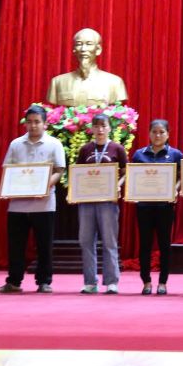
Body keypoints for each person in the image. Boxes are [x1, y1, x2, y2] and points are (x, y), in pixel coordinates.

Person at [0, 105, 66, 294]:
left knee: (44, 246)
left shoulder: (54, 144)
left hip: (44, 204)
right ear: (25, 124)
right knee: (16, 246)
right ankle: (14, 281)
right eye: (29, 122)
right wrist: (5, 188)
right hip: (17, 205)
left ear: (45, 124)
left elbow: (59, 171)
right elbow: (8, 170)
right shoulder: (16, 144)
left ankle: (44, 281)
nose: (33, 126)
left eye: (37, 122)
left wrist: (45, 186)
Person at [75, 113, 127, 294]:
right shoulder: (85, 149)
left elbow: (125, 173)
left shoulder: (117, 149)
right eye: (96, 126)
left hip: (108, 202)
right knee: (86, 240)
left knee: (109, 241)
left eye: (103, 126)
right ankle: (90, 281)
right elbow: (77, 174)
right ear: (92, 129)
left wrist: (116, 187)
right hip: (87, 202)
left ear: (110, 128)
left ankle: (112, 281)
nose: (100, 130)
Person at [131, 119, 183, 295]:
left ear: (168, 134)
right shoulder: (139, 155)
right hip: (144, 206)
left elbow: (182, 178)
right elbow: (133, 179)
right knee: (144, 244)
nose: (158, 135)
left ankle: (163, 282)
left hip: (165, 207)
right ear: (149, 134)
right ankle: (146, 281)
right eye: (154, 132)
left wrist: (174, 190)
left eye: (161, 132)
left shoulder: (176, 155)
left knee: (164, 245)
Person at [46, 28, 128, 106]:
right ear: (74, 50)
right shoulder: (57, 82)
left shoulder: (115, 83)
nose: (83, 49)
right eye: (79, 44)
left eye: (89, 44)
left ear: (98, 49)